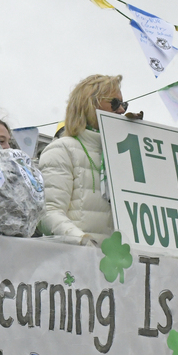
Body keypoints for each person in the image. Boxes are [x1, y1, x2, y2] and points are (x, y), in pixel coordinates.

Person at [39, 74, 125, 244]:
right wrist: (82, 241)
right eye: (115, 103)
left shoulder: (122, 155)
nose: (122, 111)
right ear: (90, 105)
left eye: (124, 105)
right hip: (75, 263)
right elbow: (48, 213)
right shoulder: (61, 150)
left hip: (123, 265)